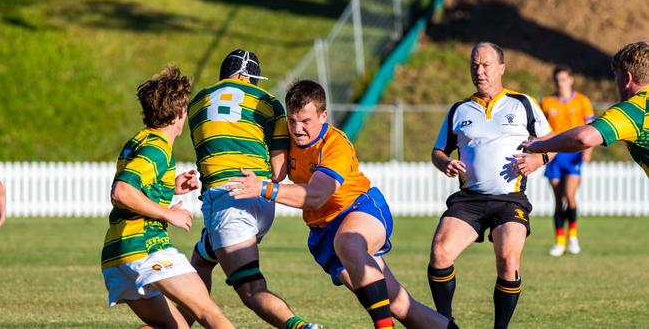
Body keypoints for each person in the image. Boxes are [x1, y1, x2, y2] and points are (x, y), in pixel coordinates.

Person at [228, 80, 453, 329]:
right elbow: (278, 173)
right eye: (292, 121)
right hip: (323, 232)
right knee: (397, 304)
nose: (298, 129)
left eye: (305, 121)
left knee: (348, 242)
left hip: (359, 208)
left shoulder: (336, 145)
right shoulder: (286, 136)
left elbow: (316, 195)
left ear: (324, 116)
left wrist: (264, 189)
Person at [186, 50, 321, 329]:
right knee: (201, 259)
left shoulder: (199, 101)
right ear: (253, 79)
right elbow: (278, 172)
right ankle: (179, 323)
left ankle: (300, 327)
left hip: (228, 199)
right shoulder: (269, 102)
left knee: (251, 290)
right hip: (260, 198)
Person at [429, 42, 554, 329]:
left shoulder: (523, 103)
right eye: (474, 65)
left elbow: (553, 142)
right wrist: (443, 162)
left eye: (486, 65)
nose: (479, 71)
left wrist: (539, 159)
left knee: (509, 261)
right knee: (439, 253)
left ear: (501, 68)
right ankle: (445, 323)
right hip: (469, 200)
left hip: (510, 200)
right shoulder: (459, 110)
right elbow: (438, 151)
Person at [100, 65, 234, 329]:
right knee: (210, 314)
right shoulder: (157, 150)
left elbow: (137, 185)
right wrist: (167, 213)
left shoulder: (140, 140)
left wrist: (170, 187)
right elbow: (122, 191)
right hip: (145, 248)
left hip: (117, 254)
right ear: (181, 112)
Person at [522, 41, 649, 177]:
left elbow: (584, 138)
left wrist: (542, 145)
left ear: (627, 78)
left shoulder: (635, 110)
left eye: (616, 76)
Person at [540, 65, 595, 256]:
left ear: (571, 80)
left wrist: (587, 150)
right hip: (554, 155)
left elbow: (590, 128)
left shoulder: (582, 101)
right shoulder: (547, 102)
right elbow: (539, 130)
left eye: (564, 79)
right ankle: (559, 241)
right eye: (557, 80)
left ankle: (573, 237)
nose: (560, 83)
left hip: (573, 155)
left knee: (569, 195)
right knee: (557, 200)